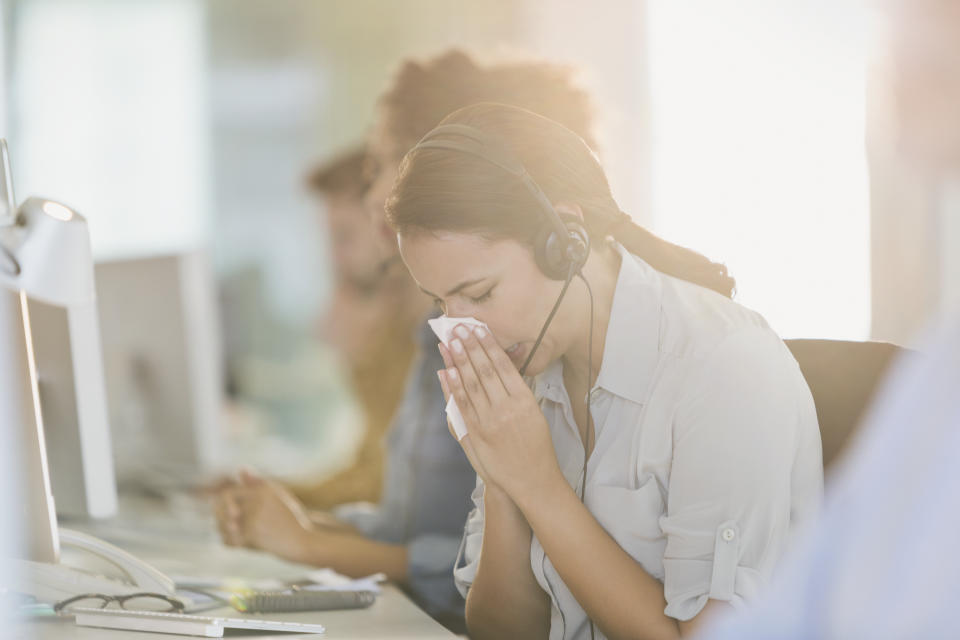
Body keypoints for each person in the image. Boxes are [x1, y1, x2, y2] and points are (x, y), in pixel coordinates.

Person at [385, 102, 823, 640]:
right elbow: (501, 632)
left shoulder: (725, 368)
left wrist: (538, 484)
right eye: (442, 304)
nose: (462, 329)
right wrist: (503, 483)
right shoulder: (528, 365)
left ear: (565, 241)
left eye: (479, 293)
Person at [212, 50, 607, 632]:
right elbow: (410, 522)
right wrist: (303, 525)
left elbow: (454, 562)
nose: (376, 193)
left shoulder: (511, 341)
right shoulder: (445, 326)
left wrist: (310, 542)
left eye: (378, 165)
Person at [697, 1, 960, 637]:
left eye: (930, 76)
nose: (903, 138)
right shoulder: (939, 373)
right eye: (894, 82)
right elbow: (793, 609)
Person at [283, 146, 419, 510]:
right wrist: (280, 494)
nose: (333, 258)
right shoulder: (391, 328)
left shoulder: (431, 337)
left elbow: (388, 492)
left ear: (388, 229)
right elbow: (367, 467)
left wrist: (363, 362)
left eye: (343, 237)